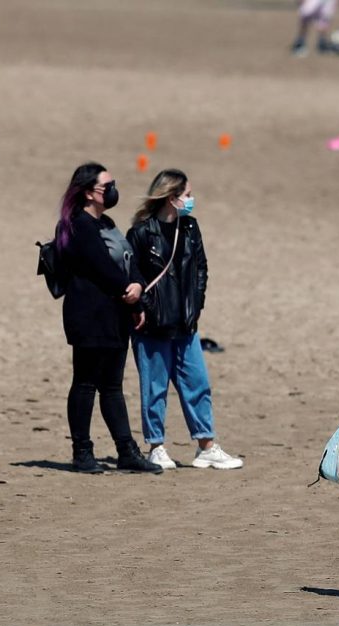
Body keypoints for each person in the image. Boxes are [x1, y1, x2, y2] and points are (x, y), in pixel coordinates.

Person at [126, 169, 244, 471]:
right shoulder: (141, 232)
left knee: (197, 383)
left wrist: (196, 304)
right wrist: (146, 307)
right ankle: (156, 446)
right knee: (154, 388)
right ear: (171, 197)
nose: (191, 200)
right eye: (187, 195)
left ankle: (206, 446)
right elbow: (133, 275)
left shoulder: (190, 227)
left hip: (186, 324)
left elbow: (201, 268)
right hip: (152, 326)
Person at [55, 162, 162, 474]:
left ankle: (126, 450)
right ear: (89, 192)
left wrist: (138, 288)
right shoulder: (76, 225)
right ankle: (82, 451)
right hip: (89, 315)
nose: (114, 190)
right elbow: (100, 266)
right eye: (107, 185)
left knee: (113, 386)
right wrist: (125, 290)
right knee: (86, 383)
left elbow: (127, 259)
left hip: (116, 315)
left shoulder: (108, 223)